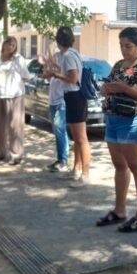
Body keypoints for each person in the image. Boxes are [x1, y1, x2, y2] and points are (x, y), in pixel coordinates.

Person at [95, 27, 137, 231]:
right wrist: (106, 89)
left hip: (132, 120)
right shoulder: (118, 65)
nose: (124, 50)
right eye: (121, 45)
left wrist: (125, 89)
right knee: (119, 165)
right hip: (112, 118)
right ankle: (120, 210)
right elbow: (110, 84)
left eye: (128, 46)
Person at [44, 27, 90, 185]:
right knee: (77, 139)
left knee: (81, 139)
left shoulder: (69, 56)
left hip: (75, 97)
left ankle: (85, 174)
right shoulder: (72, 53)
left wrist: (55, 75)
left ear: (57, 41)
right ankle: (76, 170)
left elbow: (73, 78)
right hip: (72, 97)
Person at [0, 36, 31, 165]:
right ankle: (0, 152)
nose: (10, 47)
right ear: (4, 45)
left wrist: (15, 84)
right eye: (8, 44)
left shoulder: (18, 59)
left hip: (15, 96)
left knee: (15, 126)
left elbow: (26, 76)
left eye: (13, 45)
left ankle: (16, 154)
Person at [43, 45, 69, 173]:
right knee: (58, 131)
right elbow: (48, 75)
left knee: (60, 131)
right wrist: (46, 65)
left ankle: (63, 160)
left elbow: (64, 74)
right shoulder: (54, 61)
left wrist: (52, 63)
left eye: (51, 51)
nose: (50, 53)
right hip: (52, 101)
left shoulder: (64, 59)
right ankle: (61, 159)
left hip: (61, 101)